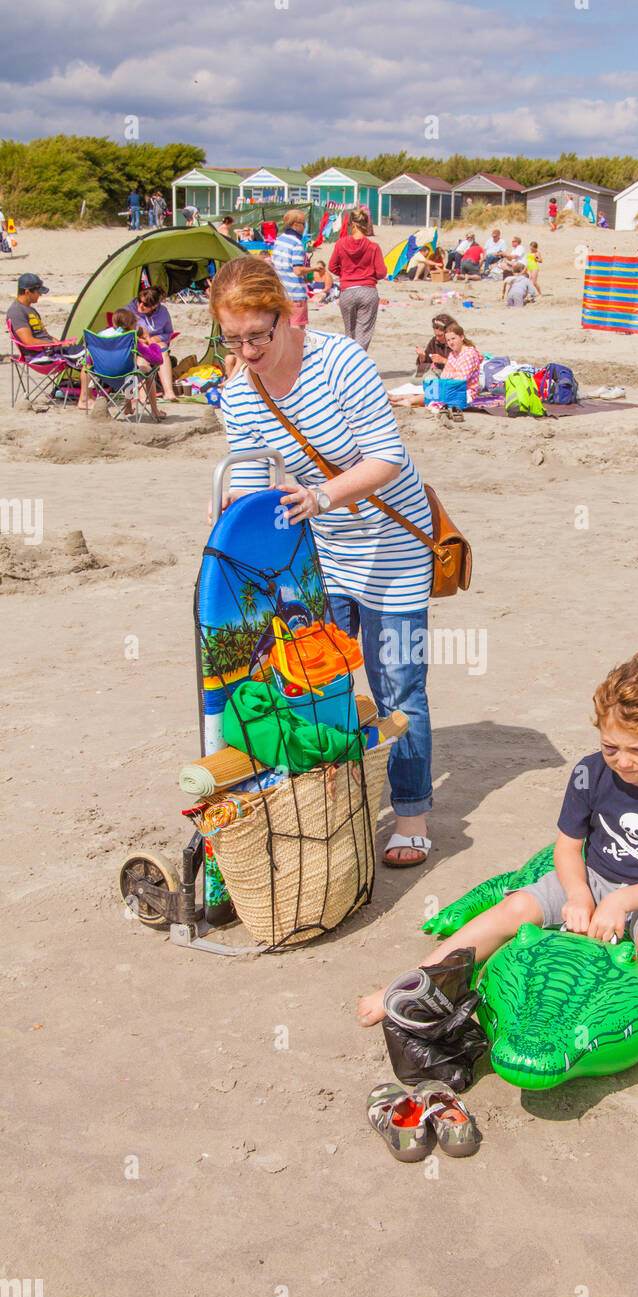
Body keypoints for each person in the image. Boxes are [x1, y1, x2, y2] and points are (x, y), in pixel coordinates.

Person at [357, 648, 638, 1132]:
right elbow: (566, 848)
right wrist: (579, 894)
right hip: (591, 875)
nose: (622, 761)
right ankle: (411, 986)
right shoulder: (588, 772)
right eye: (610, 746)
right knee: (514, 905)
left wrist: (621, 901)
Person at [210, 255, 436, 867]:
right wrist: (236, 515)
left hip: (393, 547)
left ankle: (412, 813)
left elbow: (387, 459)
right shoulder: (238, 394)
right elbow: (257, 483)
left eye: (259, 334)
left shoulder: (341, 362)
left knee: (399, 689)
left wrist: (322, 496)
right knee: (312, 682)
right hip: (325, 552)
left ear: (286, 316)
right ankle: (335, 803)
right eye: (234, 339)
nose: (249, 349)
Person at [83, 307, 163, 419]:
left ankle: (128, 406)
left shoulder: (101, 335)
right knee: (145, 370)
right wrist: (150, 342)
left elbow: (88, 361)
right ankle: (155, 411)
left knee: (130, 367)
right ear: (131, 325)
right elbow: (157, 360)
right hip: (125, 375)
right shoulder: (130, 339)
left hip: (102, 376)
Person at [328, 209, 387, 350]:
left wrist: (345, 275)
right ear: (366, 225)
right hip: (367, 290)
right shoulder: (373, 247)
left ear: (351, 225)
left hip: (347, 291)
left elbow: (332, 266)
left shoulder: (341, 244)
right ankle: (358, 362)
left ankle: (349, 363)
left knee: (350, 333)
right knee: (363, 333)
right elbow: (381, 272)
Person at [7, 273, 87, 371]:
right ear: (27, 292)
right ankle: (88, 385)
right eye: (38, 292)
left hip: (51, 350)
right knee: (88, 356)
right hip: (40, 355)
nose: (40, 294)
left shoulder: (30, 310)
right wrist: (58, 345)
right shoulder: (16, 311)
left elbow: (45, 336)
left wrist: (61, 343)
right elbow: (29, 342)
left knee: (89, 351)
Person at [124, 286, 179, 402]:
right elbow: (123, 332)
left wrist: (157, 338)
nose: (140, 306)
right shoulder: (129, 310)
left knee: (162, 350)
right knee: (142, 358)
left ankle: (169, 392)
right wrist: (141, 339)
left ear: (154, 306)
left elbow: (168, 333)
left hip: (155, 344)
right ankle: (143, 395)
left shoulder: (162, 312)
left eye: (145, 305)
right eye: (139, 301)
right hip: (137, 344)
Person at [272, 208, 311, 327]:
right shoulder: (297, 243)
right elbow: (298, 270)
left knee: (283, 330)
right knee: (298, 332)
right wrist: (314, 269)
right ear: (295, 224)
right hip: (296, 293)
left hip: (282, 293)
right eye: (303, 224)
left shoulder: (279, 240)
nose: (304, 227)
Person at [440, 322, 482, 399]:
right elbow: (443, 376)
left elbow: (462, 379)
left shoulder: (469, 353)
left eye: (453, 338)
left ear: (461, 337)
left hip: (468, 392)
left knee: (436, 395)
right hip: (452, 388)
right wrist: (456, 373)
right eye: (448, 340)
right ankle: (411, 400)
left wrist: (451, 372)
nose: (451, 342)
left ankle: (411, 401)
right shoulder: (452, 355)